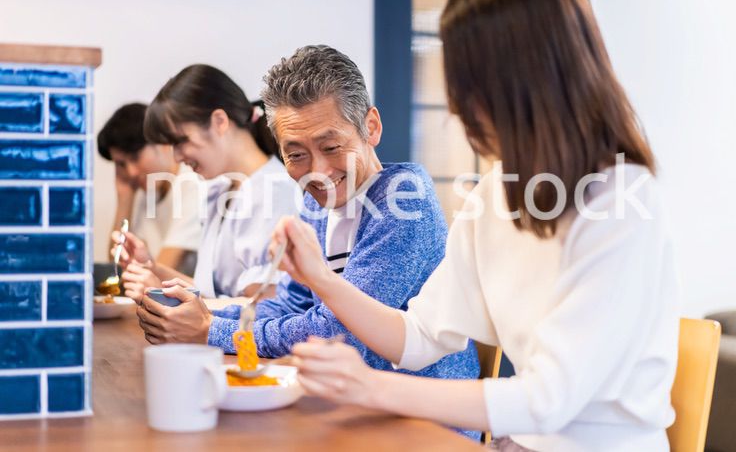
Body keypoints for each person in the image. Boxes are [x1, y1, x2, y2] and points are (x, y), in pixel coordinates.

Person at [270, 0, 680, 452]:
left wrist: (372, 387)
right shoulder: (495, 194)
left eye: (467, 83)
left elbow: (551, 398)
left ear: (528, 81)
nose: (457, 105)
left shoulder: (622, 199)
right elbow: (420, 337)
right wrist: (320, 278)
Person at [134, 47, 480, 433]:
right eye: (296, 154)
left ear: (372, 127)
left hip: (423, 426)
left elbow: (340, 335)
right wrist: (202, 315)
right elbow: (291, 302)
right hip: (350, 406)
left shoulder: (403, 202)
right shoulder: (317, 205)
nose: (316, 171)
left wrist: (209, 330)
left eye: (331, 148)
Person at [114, 65, 299, 300]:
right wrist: (151, 267)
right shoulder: (221, 190)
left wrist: (157, 290)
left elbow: (264, 310)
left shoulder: (273, 192)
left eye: (181, 141)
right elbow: (214, 295)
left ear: (220, 121)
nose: (177, 157)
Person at [98, 103, 201, 272]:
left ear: (161, 142)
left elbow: (161, 269)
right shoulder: (147, 194)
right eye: (121, 164)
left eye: (135, 157)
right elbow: (116, 266)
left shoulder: (192, 185)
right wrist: (125, 197)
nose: (131, 172)